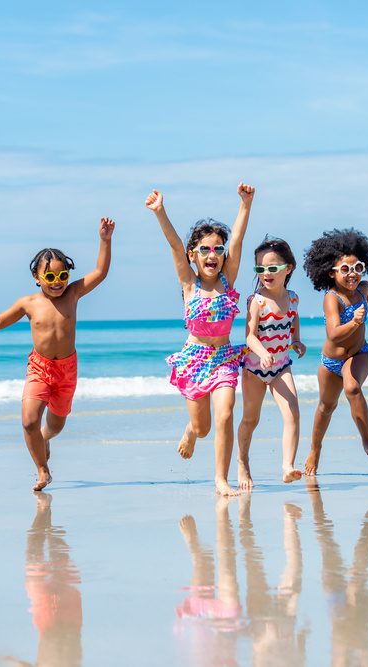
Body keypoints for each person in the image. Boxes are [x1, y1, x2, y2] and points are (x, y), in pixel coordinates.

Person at [0, 218, 115, 491]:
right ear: (37, 278)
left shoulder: (73, 293)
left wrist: (105, 240)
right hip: (39, 368)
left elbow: (100, 271)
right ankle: (42, 470)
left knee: (56, 425)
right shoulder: (28, 303)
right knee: (28, 421)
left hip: (67, 370)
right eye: (50, 277)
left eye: (62, 275)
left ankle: (45, 438)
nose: (57, 282)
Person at [145, 183, 254, 497]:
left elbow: (239, 239)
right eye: (204, 249)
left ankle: (221, 479)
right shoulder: (189, 282)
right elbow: (174, 244)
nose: (212, 254)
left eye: (217, 249)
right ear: (193, 256)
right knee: (204, 427)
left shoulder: (227, 280)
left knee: (226, 412)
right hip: (194, 359)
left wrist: (245, 205)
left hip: (223, 359)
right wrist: (160, 211)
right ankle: (191, 430)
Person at [301, 229, 368, 476]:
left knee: (352, 387)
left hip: (359, 353)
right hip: (330, 361)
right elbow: (334, 334)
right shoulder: (332, 298)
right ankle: (315, 449)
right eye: (345, 269)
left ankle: (367, 441)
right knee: (326, 407)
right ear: (331, 272)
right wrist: (356, 322)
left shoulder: (363, 289)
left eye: (357, 268)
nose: (353, 274)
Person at [236, 236, 306, 490]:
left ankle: (287, 466)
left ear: (288, 269)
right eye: (260, 268)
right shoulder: (257, 301)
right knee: (250, 420)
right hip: (255, 368)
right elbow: (250, 335)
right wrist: (262, 352)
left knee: (293, 414)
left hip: (280, 367)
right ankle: (242, 461)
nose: (266, 273)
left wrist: (296, 339)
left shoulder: (294, 298)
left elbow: (293, 319)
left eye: (272, 268)